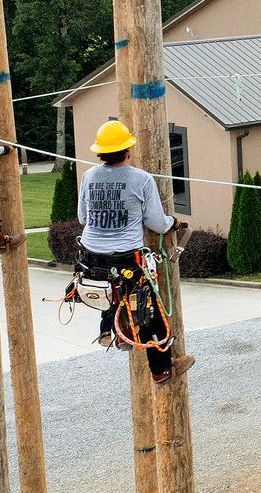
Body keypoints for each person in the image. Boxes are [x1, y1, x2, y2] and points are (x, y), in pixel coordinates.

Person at [77, 120, 193, 384]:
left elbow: (83, 217)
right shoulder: (141, 179)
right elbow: (156, 223)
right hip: (126, 257)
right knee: (150, 315)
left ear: (100, 152)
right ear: (128, 149)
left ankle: (108, 330)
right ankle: (162, 370)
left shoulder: (89, 176)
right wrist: (173, 222)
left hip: (91, 257)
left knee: (112, 291)